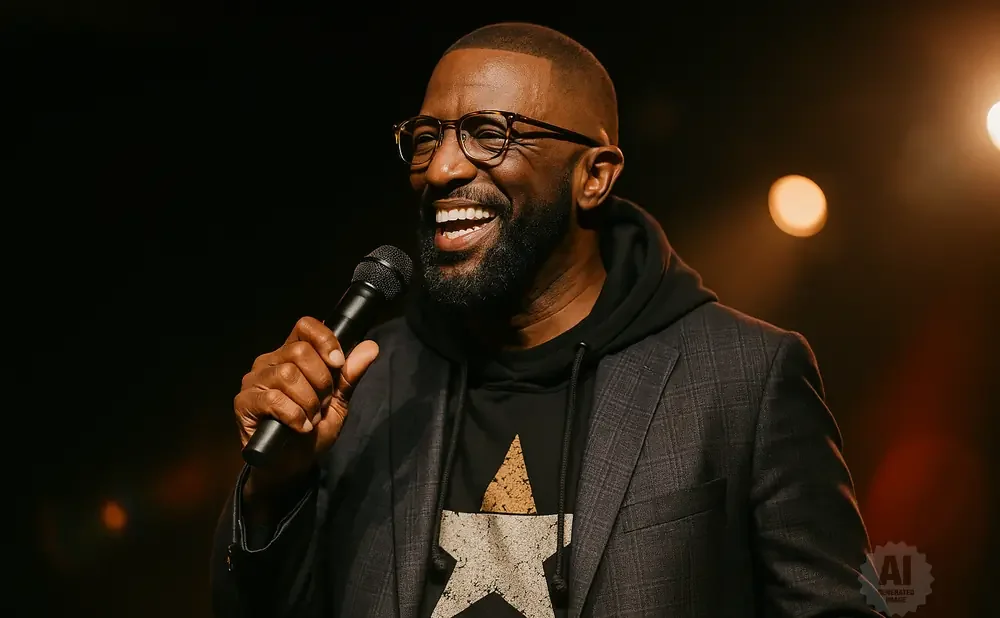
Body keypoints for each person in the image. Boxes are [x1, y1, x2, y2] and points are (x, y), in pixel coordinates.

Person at [211, 22, 886, 618]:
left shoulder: (744, 378)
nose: (442, 167)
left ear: (593, 176)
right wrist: (276, 489)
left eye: (488, 133)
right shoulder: (366, 386)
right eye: (426, 137)